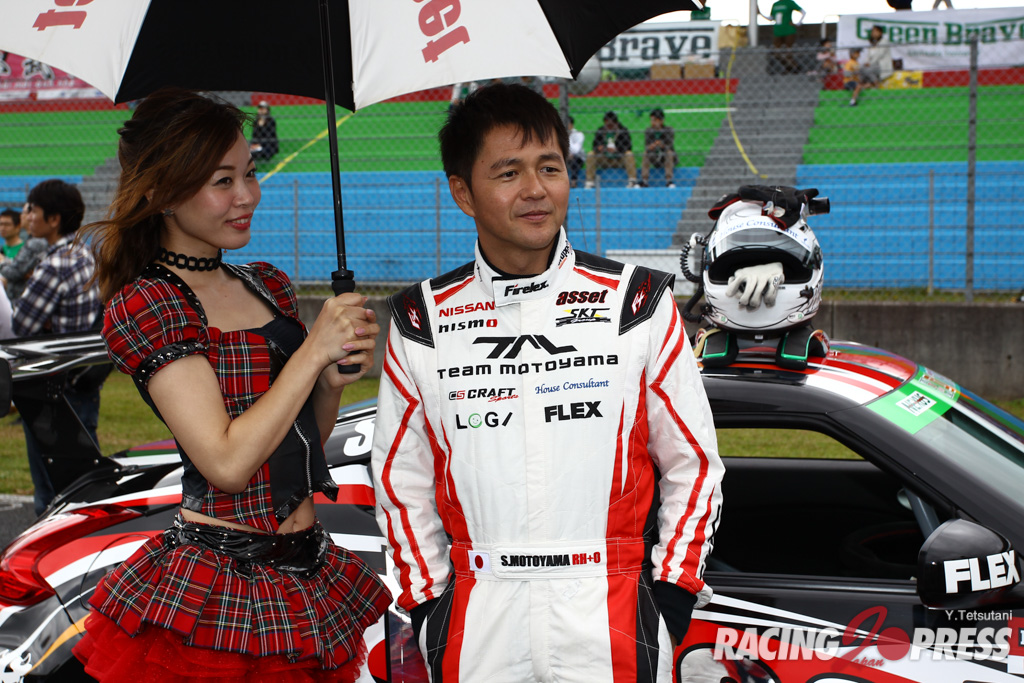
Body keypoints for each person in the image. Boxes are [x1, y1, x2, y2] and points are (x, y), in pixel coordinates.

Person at [372, 82, 723, 681]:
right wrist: (431, 607)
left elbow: (693, 466)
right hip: (478, 616)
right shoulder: (421, 320)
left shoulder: (636, 302)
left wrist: (670, 599)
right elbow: (399, 480)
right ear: (463, 192)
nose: (536, 189)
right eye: (508, 172)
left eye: (550, 167)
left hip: (612, 610)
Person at [71, 88, 390, 681]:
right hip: (218, 593)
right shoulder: (149, 303)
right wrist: (311, 352)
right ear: (163, 193)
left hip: (307, 578)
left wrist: (330, 381)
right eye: (223, 181)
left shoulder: (267, 283)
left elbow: (298, 446)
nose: (247, 195)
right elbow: (227, 463)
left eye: (249, 173)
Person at [11, 180, 102, 514]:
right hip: (83, 379)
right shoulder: (84, 253)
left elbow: (22, 324)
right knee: (83, 483)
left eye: (32, 209)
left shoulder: (55, 263)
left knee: (51, 494)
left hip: (54, 385)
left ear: (53, 219)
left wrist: (45, 321)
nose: (26, 215)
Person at [0, 207, 47, 301]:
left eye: (7, 224)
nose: (3, 228)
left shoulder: (28, 250)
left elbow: (17, 273)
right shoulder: (1, 249)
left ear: (18, 226)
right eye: (1, 224)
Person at [585, 110, 638, 188]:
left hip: (619, 159)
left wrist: (617, 149)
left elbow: (629, 146)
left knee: (629, 154)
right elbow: (594, 146)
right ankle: (590, 182)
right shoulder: (600, 130)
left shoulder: (623, 130)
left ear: (616, 123)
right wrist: (601, 148)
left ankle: (632, 181)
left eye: (611, 125)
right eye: (607, 124)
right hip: (604, 159)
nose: (609, 127)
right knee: (590, 154)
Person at [760, 0, 805, 74]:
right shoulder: (775, 4)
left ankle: (794, 68)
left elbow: (803, 12)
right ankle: (791, 67)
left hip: (789, 31)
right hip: (777, 31)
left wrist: (798, 23)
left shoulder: (789, 2)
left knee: (788, 52)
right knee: (776, 53)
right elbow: (771, 18)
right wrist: (760, 14)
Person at [640, 107, 677, 188]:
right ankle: (644, 180)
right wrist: (653, 145)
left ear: (661, 121)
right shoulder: (648, 130)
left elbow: (670, 146)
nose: (652, 122)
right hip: (653, 155)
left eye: (654, 120)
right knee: (645, 154)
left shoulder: (669, 130)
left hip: (665, 156)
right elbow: (646, 147)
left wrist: (661, 144)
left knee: (669, 153)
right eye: (651, 120)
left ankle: (669, 180)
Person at [566, 115, 585, 188]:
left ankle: (573, 182)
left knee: (575, 160)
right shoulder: (557, 135)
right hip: (564, 156)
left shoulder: (579, 134)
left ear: (571, 125)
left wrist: (567, 137)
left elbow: (576, 150)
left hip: (577, 157)